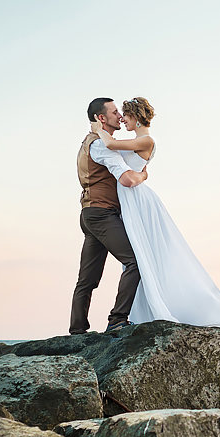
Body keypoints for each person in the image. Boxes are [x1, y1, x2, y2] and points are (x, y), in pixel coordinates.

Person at [96, 97, 220, 328]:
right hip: (131, 199)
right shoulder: (138, 140)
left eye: (126, 115)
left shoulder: (146, 140)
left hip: (138, 200)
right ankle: (138, 310)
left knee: (145, 251)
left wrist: (97, 130)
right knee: (138, 253)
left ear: (135, 117)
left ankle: (158, 306)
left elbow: (111, 146)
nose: (123, 119)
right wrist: (142, 175)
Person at [68, 97, 149, 335]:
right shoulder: (101, 145)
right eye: (115, 112)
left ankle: (77, 330)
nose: (120, 116)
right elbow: (125, 178)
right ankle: (117, 319)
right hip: (102, 214)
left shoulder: (90, 141)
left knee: (87, 279)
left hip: (90, 214)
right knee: (134, 261)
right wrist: (143, 176)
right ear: (101, 118)